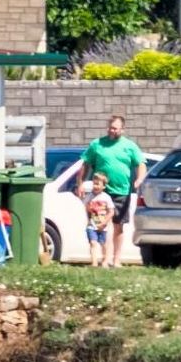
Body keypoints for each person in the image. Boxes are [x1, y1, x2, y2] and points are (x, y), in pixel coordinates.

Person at [73, 114, 146, 268]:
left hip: (121, 191)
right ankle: (103, 259)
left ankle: (117, 260)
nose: (112, 131)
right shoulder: (97, 145)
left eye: (115, 128)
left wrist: (139, 179)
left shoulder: (130, 146)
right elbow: (86, 164)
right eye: (110, 128)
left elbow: (141, 164)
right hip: (101, 191)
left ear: (122, 130)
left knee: (118, 226)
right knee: (101, 224)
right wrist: (80, 183)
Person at [84, 172, 115, 259]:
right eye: (94, 184)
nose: (95, 186)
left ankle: (105, 261)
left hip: (102, 225)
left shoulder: (106, 197)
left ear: (104, 186)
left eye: (98, 184)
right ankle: (94, 262)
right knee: (93, 243)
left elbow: (111, 211)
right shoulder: (89, 196)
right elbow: (86, 207)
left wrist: (105, 222)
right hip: (91, 225)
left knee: (103, 244)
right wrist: (89, 208)